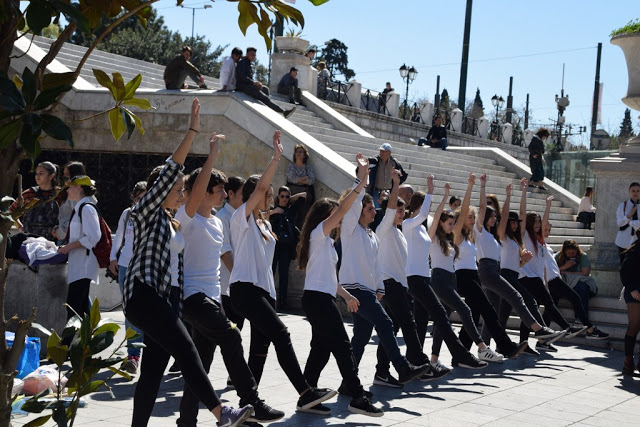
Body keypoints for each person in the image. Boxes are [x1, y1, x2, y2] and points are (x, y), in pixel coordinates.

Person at [122, 98, 254, 427]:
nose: (181, 194)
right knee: (187, 349)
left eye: (183, 190)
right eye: (178, 189)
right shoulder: (145, 212)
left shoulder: (171, 222)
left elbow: (174, 271)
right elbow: (170, 171)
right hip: (144, 295)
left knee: (152, 372)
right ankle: (222, 413)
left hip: (162, 299)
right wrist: (193, 129)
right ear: (161, 190)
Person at [175, 134, 284, 426]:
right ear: (206, 192)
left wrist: (220, 306)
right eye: (220, 189)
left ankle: (185, 422)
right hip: (189, 298)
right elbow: (196, 187)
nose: (225, 195)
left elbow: (214, 271)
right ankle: (252, 401)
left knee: (201, 364)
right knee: (233, 335)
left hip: (209, 298)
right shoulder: (187, 218)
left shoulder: (216, 224)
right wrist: (212, 154)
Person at [229, 130, 337, 414]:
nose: (271, 197)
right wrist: (276, 158)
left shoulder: (265, 226)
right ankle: (304, 391)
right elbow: (259, 190)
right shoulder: (242, 220)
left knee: (260, 349)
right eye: (266, 193)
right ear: (254, 195)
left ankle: (248, 404)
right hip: (245, 289)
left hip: (264, 291)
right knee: (282, 333)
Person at [297, 153, 383, 417]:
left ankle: (306, 395)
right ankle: (356, 395)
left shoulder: (325, 243)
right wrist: (362, 180)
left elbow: (329, 279)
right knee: (343, 347)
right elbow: (345, 209)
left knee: (321, 349)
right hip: (317, 301)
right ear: (325, 216)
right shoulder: (318, 233)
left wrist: (345, 295)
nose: (340, 218)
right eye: (335, 215)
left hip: (320, 297)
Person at [338, 164, 430, 386]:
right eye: (369, 209)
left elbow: (375, 265)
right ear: (360, 211)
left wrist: (379, 288)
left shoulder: (372, 235)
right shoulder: (350, 230)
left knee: (359, 339)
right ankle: (403, 367)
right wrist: (361, 180)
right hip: (355, 288)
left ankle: (348, 384)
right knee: (386, 323)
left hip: (368, 290)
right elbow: (350, 208)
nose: (374, 212)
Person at [402, 181, 488, 370]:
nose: (430, 209)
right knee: (440, 314)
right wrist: (432, 192)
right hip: (414, 278)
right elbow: (425, 213)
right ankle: (461, 354)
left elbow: (431, 218)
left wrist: (441, 198)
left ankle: (415, 361)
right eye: (427, 204)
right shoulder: (408, 224)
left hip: (424, 277)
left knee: (421, 322)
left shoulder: (424, 230)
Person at [375, 171, 448, 385]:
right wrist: (396, 183)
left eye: (402, 210)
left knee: (393, 328)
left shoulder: (399, 233)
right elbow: (391, 212)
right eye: (398, 210)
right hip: (389, 284)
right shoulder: (384, 228)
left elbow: (422, 215)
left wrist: (432, 194)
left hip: (399, 286)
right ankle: (421, 362)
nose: (401, 213)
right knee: (408, 323)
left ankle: (381, 372)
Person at [475, 175, 564, 351]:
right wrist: (506, 195)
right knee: (522, 298)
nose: (494, 219)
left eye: (495, 217)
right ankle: (538, 329)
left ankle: (487, 349)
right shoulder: (496, 234)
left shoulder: (506, 239)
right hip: (496, 273)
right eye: (491, 217)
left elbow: (521, 217)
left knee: (496, 313)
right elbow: (494, 212)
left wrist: (524, 261)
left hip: (502, 272)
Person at [429, 176, 504, 365]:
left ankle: (434, 359)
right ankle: (482, 348)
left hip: (451, 279)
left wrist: (470, 186)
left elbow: (460, 217)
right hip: (439, 279)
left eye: (454, 223)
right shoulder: (433, 238)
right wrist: (446, 196)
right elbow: (450, 215)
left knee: (443, 319)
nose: (454, 225)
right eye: (449, 223)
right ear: (440, 223)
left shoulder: (451, 239)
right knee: (464, 310)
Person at [517, 194, 578, 351]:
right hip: (526, 277)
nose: (538, 224)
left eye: (539, 222)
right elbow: (522, 215)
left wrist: (548, 206)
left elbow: (545, 223)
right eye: (535, 222)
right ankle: (566, 327)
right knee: (548, 304)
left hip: (536, 278)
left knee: (531, 310)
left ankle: (523, 344)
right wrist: (523, 192)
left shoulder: (539, 239)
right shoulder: (524, 236)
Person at [109, 181, 147, 375]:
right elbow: (119, 237)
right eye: (138, 197)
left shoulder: (154, 214)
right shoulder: (127, 214)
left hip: (146, 267)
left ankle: (147, 351)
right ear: (133, 198)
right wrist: (112, 258)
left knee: (147, 311)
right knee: (130, 311)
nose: (141, 201)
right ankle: (133, 356)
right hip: (126, 264)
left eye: (145, 197)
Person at [57, 175, 100, 327]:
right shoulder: (80, 208)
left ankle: (69, 346)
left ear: (78, 188)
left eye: (70, 187)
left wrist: (69, 247)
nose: (67, 190)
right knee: (80, 309)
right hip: (78, 265)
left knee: (74, 309)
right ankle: (83, 345)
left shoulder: (86, 208)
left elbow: (94, 237)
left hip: (84, 266)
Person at [548, 237, 609, 341]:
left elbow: (585, 273)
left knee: (581, 288)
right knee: (554, 290)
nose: (571, 255)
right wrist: (565, 267)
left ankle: (581, 320)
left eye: (573, 253)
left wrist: (566, 272)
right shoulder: (558, 256)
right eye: (569, 253)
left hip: (579, 284)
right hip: (564, 284)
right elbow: (552, 270)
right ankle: (550, 320)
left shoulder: (582, 257)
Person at [216, 176, 246, 332]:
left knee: (237, 331)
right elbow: (225, 253)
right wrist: (238, 278)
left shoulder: (240, 216)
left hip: (237, 285)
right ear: (231, 193)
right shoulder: (222, 217)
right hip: (228, 285)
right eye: (242, 193)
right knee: (229, 334)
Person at [270, 186, 305, 310]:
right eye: (282, 196)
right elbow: (261, 216)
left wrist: (290, 200)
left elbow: (304, 195)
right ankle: (269, 299)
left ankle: (283, 302)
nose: (284, 199)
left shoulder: (291, 210)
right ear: (277, 196)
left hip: (285, 246)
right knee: (270, 273)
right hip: (273, 246)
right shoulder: (271, 209)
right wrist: (274, 211)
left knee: (284, 275)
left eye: (286, 196)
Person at [236, 47, 295, 118]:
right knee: (263, 96)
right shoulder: (242, 63)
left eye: (254, 55)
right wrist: (253, 83)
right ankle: (282, 111)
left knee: (265, 89)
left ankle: (268, 107)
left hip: (249, 85)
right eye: (251, 54)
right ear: (247, 54)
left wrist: (256, 83)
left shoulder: (249, 64)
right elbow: (242, 77)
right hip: (242, 86)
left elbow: (249, 78)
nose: (253, 56)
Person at [11, 161, 61, 242]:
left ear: (51, 176)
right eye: (36, 173)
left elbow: (66, 217)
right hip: (28, 241)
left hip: (50, 243)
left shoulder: (59, 195)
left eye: (41, 173)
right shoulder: (29, 193)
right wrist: (20, 227)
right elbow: (11, 211)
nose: (37, 176)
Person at [621, 229, 640, 375]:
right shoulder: (634, 251)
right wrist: (632, 289)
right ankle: (628, 361)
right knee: (633, 326)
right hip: (635, 293)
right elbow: (625, 271)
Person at [365, 143, 408, 208]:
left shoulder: (394, 163)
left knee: (386, 210)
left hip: (388, 192)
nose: (381, 153)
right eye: (381, 151)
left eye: (384, 151)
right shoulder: (374, 160)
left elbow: (403, 175)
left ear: (389, 153)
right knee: (376, 209)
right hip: (375, 191)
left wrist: (396, 183)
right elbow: (360, 170)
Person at [53, 161, 87, 243]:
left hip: (71, 238)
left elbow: (75, 218)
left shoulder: (78, 196)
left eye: (67, 174)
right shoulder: (68, 193)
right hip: (65, 235)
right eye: (64, 174)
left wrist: (60, 232)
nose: (65, 177)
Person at [286, 144, 316, 228]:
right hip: (293, 189)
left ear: (304, 155)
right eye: (296, 152)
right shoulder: (291, 166)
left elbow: (312, 180)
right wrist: (304, 178)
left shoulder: (308, 167)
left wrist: (298, 179)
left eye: (300, 152)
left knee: (303, 205)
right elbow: (291, 178)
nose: (298, 154)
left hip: (305, 191)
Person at [616, 182, 640, 265]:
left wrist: (629, 223)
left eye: (638, 191)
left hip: (637, 242)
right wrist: (629, 215)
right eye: (633, 191)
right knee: (624, 267)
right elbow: (619, 223)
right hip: (623, 241)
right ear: (629, 192)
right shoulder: (623, 205)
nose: (635, 193)